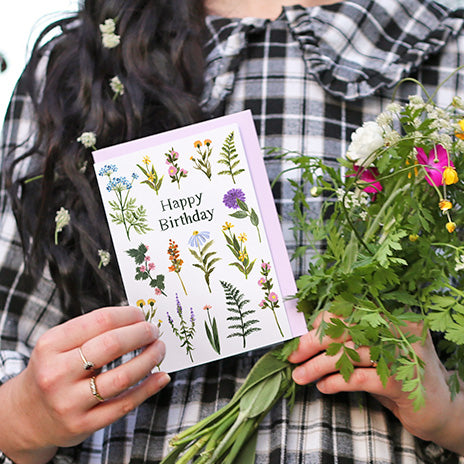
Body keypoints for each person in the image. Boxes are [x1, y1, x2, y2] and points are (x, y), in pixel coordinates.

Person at [1, 0, 464, 462]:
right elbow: (13, 342)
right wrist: (25, 416)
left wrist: (449, 414)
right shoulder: (80, 62)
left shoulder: (450, 47)